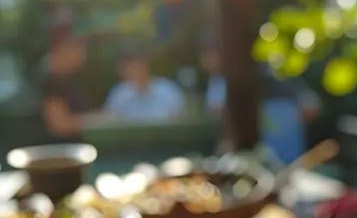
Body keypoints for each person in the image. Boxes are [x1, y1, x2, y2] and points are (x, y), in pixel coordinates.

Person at [199, 34, 320, 164]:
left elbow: (311, 106)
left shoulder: (269, 73)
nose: (205, 61)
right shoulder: (218, 82)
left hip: (283, 161)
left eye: (209, 54)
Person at [104, 47, 186, 123]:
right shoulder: (119, 94)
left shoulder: (169, 91)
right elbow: (110, 120)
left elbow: (179, 123)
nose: (132, 70)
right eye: (126, 67)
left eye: (134, 65)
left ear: (145, 65)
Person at [41, 32, 91, 137]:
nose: (83, 56)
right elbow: (59, 125)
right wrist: (97, 121)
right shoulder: (51, 82)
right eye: (78, 49)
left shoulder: (67, 81)